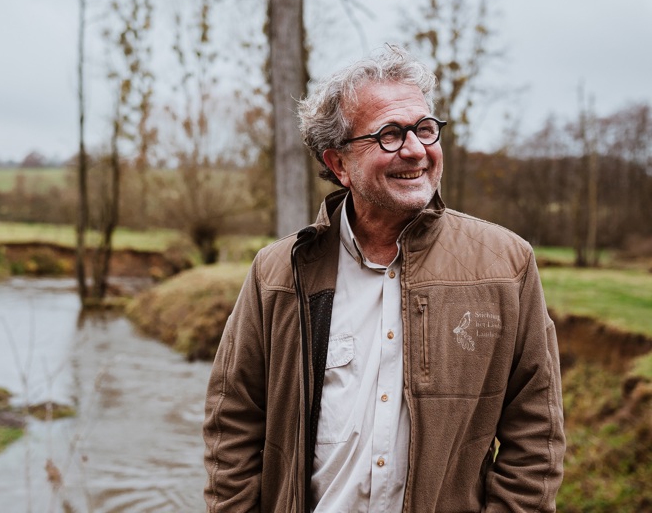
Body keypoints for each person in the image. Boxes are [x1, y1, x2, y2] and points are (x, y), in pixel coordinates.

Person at [203, 46, 565, 512]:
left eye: (425, 129)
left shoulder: (506, 265)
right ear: (339, 165)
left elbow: (536, 432)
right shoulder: (278, 273)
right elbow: (232, 424)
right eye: (390, 135)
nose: (416, 150)